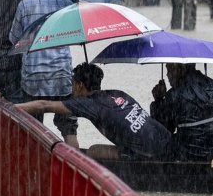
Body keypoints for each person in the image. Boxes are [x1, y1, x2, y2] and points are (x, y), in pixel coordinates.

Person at [16, 63, 172, 161]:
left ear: (79, 85)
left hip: (148, 153)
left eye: (72, 84)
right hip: (165, 140)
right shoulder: (117, 93)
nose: (71, 88)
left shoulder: (89, 104)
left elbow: (44, 105)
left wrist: (11, 107)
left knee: (92, 151)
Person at [9, 0, 78, 148]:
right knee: (69, 128)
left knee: (33, 128)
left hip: (34, 78)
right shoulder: (66, 4)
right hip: (62, 76)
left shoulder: (24, 5)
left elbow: (14, 39)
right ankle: (75, 167)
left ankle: (35, 168)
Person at [150, 63, 213, 161]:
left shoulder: (174, 95)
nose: (167, 75)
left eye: (170, 70)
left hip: (191, 154)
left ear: (182, 69)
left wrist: (158, 101)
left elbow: (161, 130)